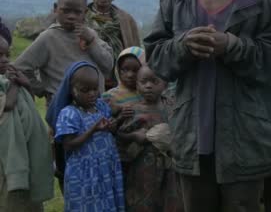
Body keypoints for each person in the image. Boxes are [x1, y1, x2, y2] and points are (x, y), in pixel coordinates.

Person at [144, 0, 271, 212]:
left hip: (245, 137)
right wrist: (182, 46)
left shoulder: (257, 0)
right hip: (191, 135)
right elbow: (156, 55)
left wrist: (232, 46)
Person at [15, 0, 114, 105]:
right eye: (65, 11)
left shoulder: (90, 34)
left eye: (77, 12)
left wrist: (92, 42)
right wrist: (42, 90)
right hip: (62, 111)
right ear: (56, 9)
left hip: (94, 108)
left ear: (85, 12)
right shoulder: (49, 37)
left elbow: (108, 66)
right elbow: (20, 67)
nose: (71, 16)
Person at [50, 61, 126, 212]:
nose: (91, 94)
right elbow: (68, 144)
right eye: (85, 90)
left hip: (106, 166)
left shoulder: (100, 106)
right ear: (72, 90)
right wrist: (93, 129)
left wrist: (116, 122)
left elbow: (110, 129)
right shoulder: (69, 113)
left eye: (94, 89)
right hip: (85, 173)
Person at [117, 65, 182, 212]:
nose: (148, 86)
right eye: (143, 81)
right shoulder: (132, 111)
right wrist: (135, 136)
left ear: (164, 84)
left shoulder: (171, 106)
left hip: (170, 167)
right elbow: (120, 137)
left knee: (171, 200)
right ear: (137, 84)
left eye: (154, 81)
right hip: (143, 170)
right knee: (144, 202)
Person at [0, 36, 54, 211]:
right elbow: (7, 104)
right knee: (10, 199)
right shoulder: (8, 83)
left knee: (30, 200)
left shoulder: (7, 80)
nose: (5, 59)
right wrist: (15, 84)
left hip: (27, 151)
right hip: (7, 158)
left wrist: (26, 85)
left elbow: (27, 103)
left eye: (6, 54)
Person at [86, 0, 141, 88]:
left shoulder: (126, 20)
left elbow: (136, 51)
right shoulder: (81, 19)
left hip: (120, 82)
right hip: (88, 79)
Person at [102, 47, 145, 172]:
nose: (130, 75)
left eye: (136, 70)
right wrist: (120, 116)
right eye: (125, 70)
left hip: (146, 153)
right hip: (122, 155)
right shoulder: (110, 97)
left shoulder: (147, 92)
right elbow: (107, 127)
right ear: (118, 70)